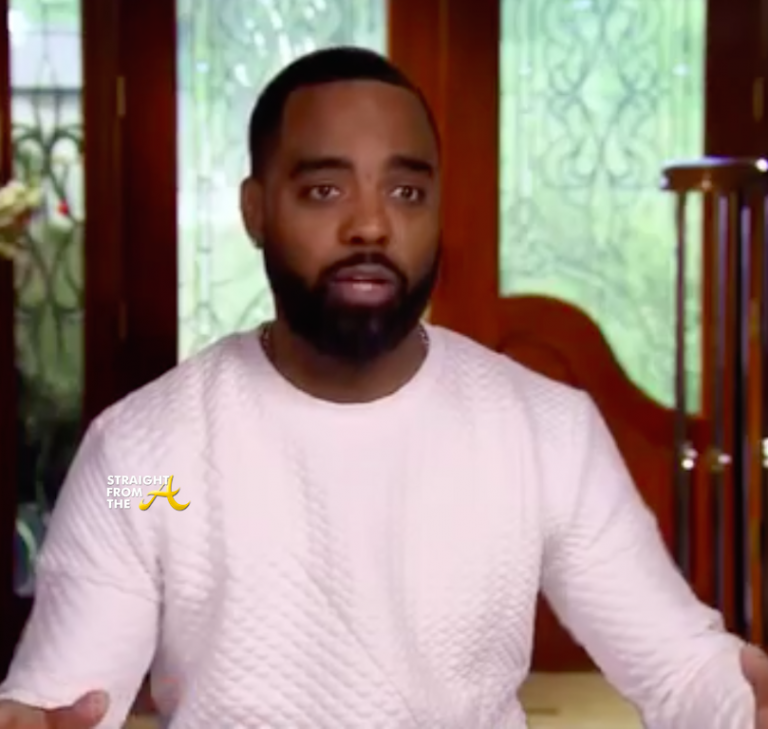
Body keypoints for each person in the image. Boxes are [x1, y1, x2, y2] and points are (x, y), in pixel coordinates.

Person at [0, 46, 766, 729]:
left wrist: (744, 705)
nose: (370, 225)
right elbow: (67, 696)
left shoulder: (545, 434)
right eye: (324, 190)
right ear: (255, 210)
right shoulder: (145, 463)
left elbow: (681, 669)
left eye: (406, 193)